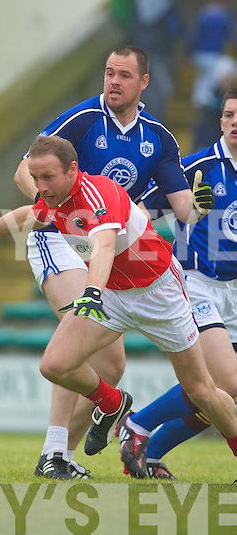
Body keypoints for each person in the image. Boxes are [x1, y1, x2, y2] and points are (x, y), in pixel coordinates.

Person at [0, 135, 237, 480]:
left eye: (48, 177)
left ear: (72, 169)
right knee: (55, 365)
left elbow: (104, 245)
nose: (41, 186)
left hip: (159, 294)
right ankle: (112, 404)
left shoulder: (99, 193)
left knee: (202, 391)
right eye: (35, 178)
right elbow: (30, 216)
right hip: (112, 294)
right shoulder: (55, 198)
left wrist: (91, 292)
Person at [13, 45, 214, 480]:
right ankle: (53, 451)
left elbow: (184, 209)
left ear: (144, 81)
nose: (113, 82)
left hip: (111, 246)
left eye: (124, 75)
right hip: (60, 237)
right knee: (73, 322)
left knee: (111, 365)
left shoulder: (158, 136)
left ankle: (69, 449)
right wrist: (59, 211)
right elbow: (23, 172)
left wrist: (199, 208)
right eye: (108, 73)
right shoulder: (83, 120)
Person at [117, 88, 237, 479]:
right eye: (228, 115)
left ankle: (146, 447)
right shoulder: (198, 165)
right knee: (227, 382)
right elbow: (138, 210)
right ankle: (138, 423)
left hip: (234, 292)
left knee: (222, 396)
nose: (234, 123)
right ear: (220, 121)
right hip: (198, 284)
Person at [130, 0, 184, 121]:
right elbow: (176, 28)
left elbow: (132, 25)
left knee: (141, 86)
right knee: (163, 88)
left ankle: (139, 119)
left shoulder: (141, 0)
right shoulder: (169, 4)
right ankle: (157, 121)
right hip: (161, 52)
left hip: (140, 51)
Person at [189, 0, 236, 112]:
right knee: (213, 76)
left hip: (199, 53)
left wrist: (188, 52)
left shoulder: (203, 14)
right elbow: (231, 34)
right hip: (214, 52)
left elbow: (194, 34)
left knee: (203, 76)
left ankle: (199, 99)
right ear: (221, 1)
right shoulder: (224, 16)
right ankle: (203, 100)